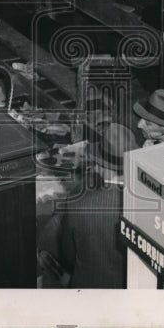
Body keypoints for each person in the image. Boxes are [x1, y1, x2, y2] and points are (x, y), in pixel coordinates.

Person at [57, 122, 138, 288]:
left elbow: (68, 254)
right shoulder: (142, 201)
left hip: (90, 286)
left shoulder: (78, 205)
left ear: (101, 166)